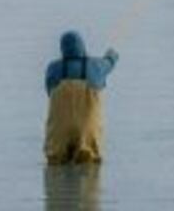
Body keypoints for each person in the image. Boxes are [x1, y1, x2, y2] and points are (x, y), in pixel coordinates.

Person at [44, 31, 119, 165]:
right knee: (89, 168)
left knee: (56, 166)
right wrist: (111, 55)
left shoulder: (53, 68)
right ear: (82, 47)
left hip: (60, 129)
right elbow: (109, 63)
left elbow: (49, 92)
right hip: (87, 128)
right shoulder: (96, 65)